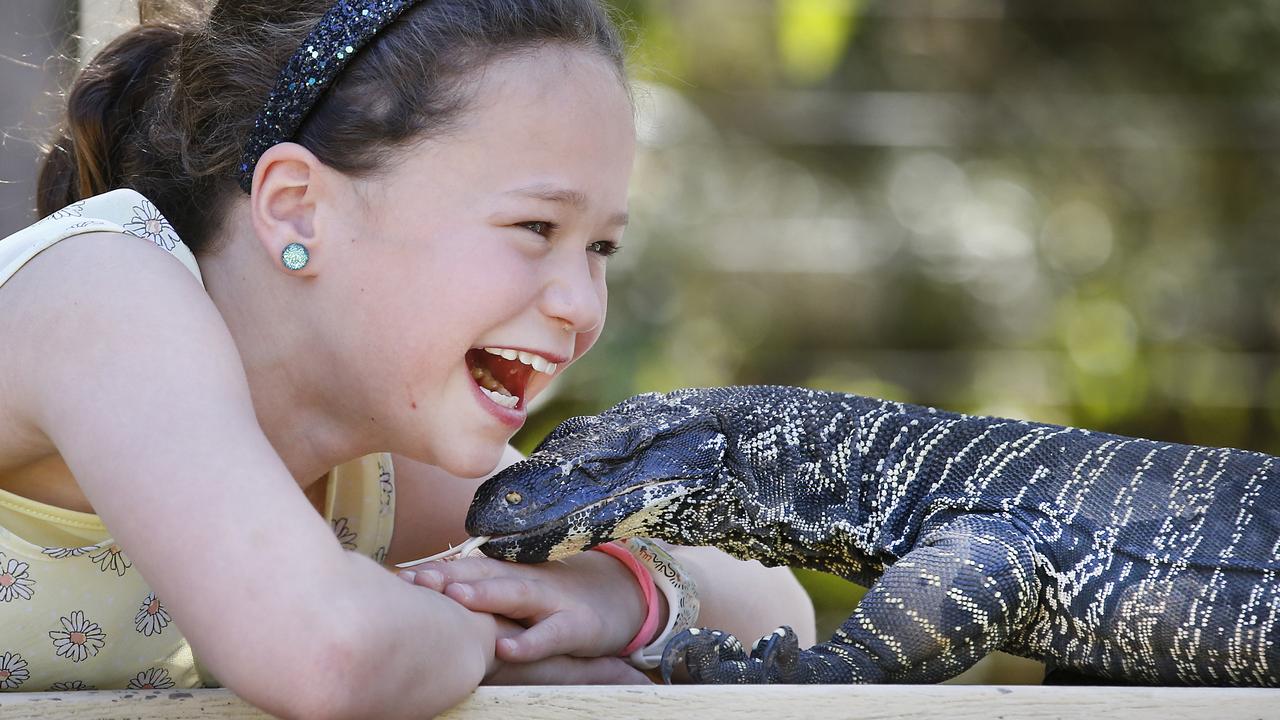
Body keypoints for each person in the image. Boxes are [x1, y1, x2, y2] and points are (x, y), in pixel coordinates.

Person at [0, 0, 814, 717]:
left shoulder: (374, 452)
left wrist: (613, 597)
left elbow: (778, 611)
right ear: (298, 210)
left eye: (601, 246)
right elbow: (330, 652)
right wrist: (491, 640)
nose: (584, 304)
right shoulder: (103, 294)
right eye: (537, 227)